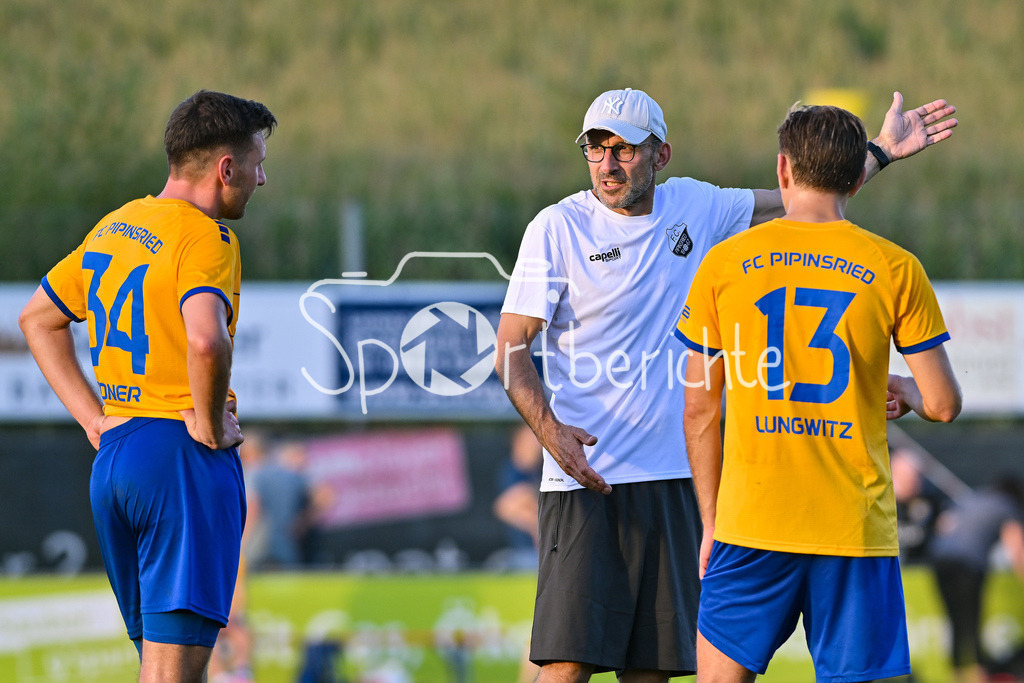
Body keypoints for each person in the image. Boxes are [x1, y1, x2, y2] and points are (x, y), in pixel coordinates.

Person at [495, 86, 957, 681]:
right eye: (595, 148)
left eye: (624, 150)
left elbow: (806, 195)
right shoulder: (555, 228)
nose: (607, 164)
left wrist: (880, 153)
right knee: (567, 664)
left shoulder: (698, 206)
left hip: (676, 481)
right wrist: (551, 433)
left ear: (661, 156)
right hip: (588, 478)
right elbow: (509, 348)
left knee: (654, 669)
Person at [676, 104, 962, 682]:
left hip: (751, 520)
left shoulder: (724, 264)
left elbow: (700, 408)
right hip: (852, 528)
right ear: (857, 179)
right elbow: (944, 403)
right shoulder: (895, 267)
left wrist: (711, 521)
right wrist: (904, 389)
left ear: (782, 171)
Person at [18, 90, 276, 682]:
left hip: (118, 457)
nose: (262, 180)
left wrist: (92, 420)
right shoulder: (206, 239)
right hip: (179, 459)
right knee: (171, 675)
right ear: (225, 168)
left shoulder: (116, 225)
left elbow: (38, 318)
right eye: (258, 163)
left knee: (160, 667)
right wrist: (209, 425)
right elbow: (207, 341)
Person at [928, 474, 1024, 683]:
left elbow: (943, 524)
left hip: (939, 560)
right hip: (968, 564)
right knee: (972, 619)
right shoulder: (1006, 504)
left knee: (954, 619)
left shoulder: (972, 498)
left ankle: (956, 674)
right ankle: (979, 676)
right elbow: (1016, 548)